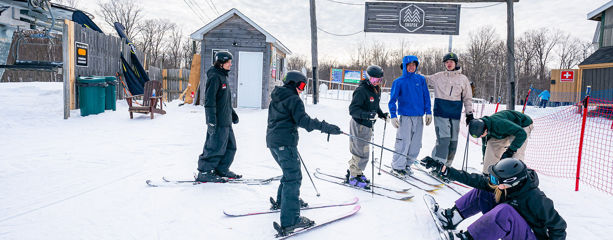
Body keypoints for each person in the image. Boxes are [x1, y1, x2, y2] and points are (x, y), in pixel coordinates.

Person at [267, 70, 342, 236]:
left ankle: (284, 202)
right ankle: (291, 221)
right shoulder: (294, 99)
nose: (301, 89)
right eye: (301, 85)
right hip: (284, 143)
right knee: (293, 177)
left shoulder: (278, 96)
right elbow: (304, 121)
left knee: (288, 174)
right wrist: (326, 127)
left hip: (273, 142)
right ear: (293, 83)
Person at [420, 157, 567, 240]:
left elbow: (559, 227)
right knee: (485, 191)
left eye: (497, 180)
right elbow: (475, 180)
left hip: (530, 236)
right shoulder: (506, 186)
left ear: (512, 182)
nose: (493, 182)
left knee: (506, 211)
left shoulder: (535, 198)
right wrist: (445, 170)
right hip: (514, 229)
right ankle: (452, 218)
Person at [196, 51, 241, 183]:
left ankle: (222, 169)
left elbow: (224, 100)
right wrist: (210, 121)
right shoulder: (215, 77)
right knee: (214, 147)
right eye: (228, 62)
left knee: (230, 147)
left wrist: (232, 114)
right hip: (217, 121)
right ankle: (204, 172)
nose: (231, 64)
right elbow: (210, 101)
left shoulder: (223, 76)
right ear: (221, 64)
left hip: (226, 120)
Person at [425, 52, 473, 167]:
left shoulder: (463, 79)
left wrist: (469, 113)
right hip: (441, 112)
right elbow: (424, 80)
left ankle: (447, 167)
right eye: (446, 62)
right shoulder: (439, 76)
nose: (449, 64)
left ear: (456, 63)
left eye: (451, 61)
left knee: (453, 142)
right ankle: (437, 164)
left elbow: (467, 98)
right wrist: (413, 73)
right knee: (444, 140)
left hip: (455, 114)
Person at [346, 65, 389, 189]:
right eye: (374, 80)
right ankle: (353, 176)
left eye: (379, 80)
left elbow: (375, 106)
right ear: (368, 77)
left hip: (368, 125)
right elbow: (353, 110)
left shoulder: (376, 90)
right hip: (359, 124)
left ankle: (357, 172)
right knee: (359, 151)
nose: (377, 82)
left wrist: (382, 115)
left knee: (364, 151)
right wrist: (368, 115)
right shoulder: (361, 90)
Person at [388, 55, 432, 176]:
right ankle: (397, 166)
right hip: (406, 117)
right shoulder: (399, 82)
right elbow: (392, 101)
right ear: (404, 66)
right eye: (409, 65)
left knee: (416, 144)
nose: (412, 67)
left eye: (414, 65)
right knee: (403, 142)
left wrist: (428, 112)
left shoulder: (420, 80)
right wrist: (393, 115)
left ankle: (407, 165)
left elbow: (426, 96)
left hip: (419, 117)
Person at [468, 110, 534, 173]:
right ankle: (488, 175)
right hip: (507, 129)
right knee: (491, 145)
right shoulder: (482, 130)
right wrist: (485, 160)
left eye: (481, 135)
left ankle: (515, 177)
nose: (481, 137)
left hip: (522, 126)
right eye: (479, 136)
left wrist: (510, 150)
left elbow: (522, 134)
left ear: (485, 129)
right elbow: (485, 146)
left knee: (516, 152)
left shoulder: (499, 124)